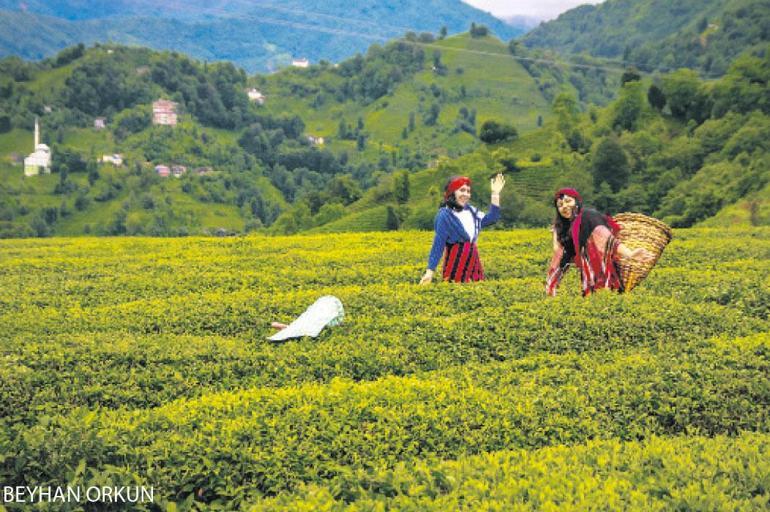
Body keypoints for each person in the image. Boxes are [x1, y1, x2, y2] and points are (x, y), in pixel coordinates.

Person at [546, 187, 654, 296]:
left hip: (604, 275)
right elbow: (560, 253)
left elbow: (607, 240)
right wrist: (556, 233)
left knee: (606, 299)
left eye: (568, 201)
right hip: (588, 279)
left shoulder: (588, 217)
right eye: (560, 205)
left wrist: (630, 254)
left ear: (577, 202)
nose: (565, 206)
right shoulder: (564, 228)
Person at [420, 173, 505, 284]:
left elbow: (492, 218)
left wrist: (495, 194)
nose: (466, 194)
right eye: (462, 190)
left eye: (468, 191)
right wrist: (430, 271)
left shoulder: (471, 211)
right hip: (456, 264)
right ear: (452, 192)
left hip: (474, 262)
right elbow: (438, 244)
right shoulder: (445, 215)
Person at [268, 295, 344, 341]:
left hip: (330, 314)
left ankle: (285, 328)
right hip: (328, 312)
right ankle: (286, 329)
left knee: (308, 324)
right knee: (307, 323)